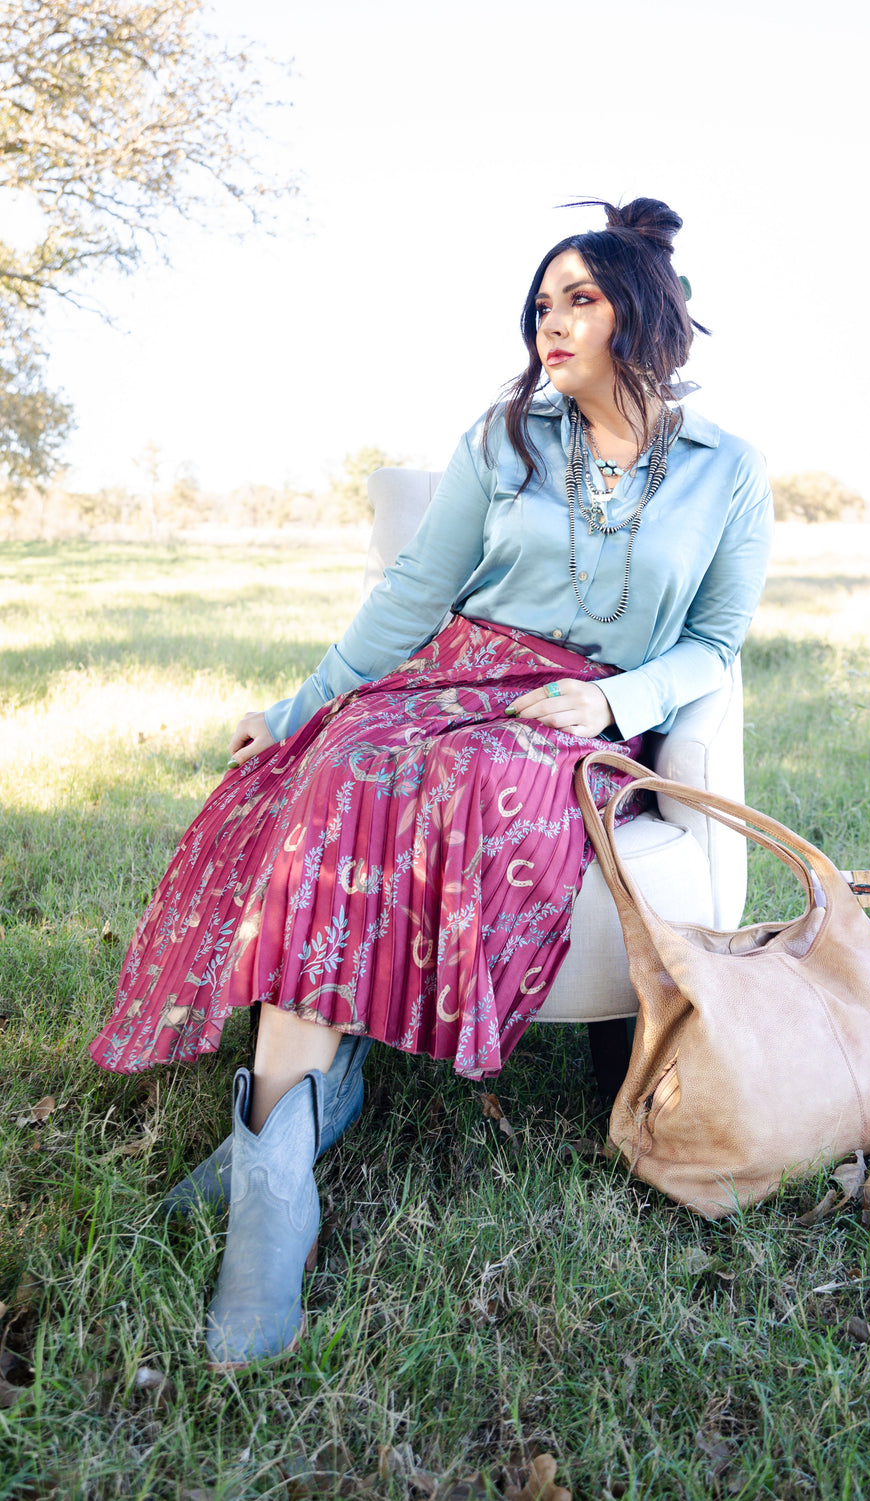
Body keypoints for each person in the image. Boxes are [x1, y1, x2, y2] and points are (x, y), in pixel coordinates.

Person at [89, 196, 773, 1369]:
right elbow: (413, 595)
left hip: (579, 713)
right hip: (449, 680)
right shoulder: (504, 436)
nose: (548, 324)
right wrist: (301, 705)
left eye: (578, 300)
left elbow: (715, 641)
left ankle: (311, 1103)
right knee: (344, 769)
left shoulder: (729, 469)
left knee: (493, 782)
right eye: (540, 305)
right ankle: (279, 1158)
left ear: (642, 312)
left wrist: (612, 701)